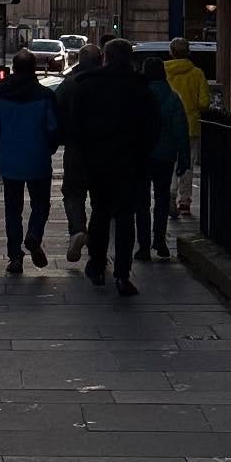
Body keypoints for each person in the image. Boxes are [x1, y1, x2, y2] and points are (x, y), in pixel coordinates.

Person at [73, 38, 159, 295]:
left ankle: (97, 266)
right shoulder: (141, 87)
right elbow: (154, 126)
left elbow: (76, 128)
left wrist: (85, 156)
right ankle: (122, 274)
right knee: (125, 218)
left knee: (100, 213)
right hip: (130, 163)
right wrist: (144, 153)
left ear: (106, 58)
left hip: (98, 162)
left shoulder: (88, 86)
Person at [0, 48, 59, 275]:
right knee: (41, 204)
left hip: (9, 159)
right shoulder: (45, 96)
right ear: (34, 69)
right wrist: (49, 147)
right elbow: (54, 128)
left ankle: (15, 256)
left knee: (12, 209)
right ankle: (34, 235)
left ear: (14, 68)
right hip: (37, 158)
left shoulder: (1, 95)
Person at [53, 43, 103, 262]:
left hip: (75, 147)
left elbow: (56, 113)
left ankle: (78, 230)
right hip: (104, 148)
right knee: (102, 198)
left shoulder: (70, 84)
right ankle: (97, 242)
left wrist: (57, 140)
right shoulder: (107, 82)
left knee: (73, 193)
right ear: (100, 60)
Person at [138, 56, 190, 259]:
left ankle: (143, 246)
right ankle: (159, 239)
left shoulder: (140, 95)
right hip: (165, 155)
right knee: (161, 198)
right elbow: (181, 131)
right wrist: (183, 158)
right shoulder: (172, 97)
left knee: (141, 201)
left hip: (141, 154)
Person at [164, 37, 212, 213]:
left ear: (171, 52)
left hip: (167, 124)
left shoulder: (164, 70)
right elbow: (204, 102)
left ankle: (170, 192)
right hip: (190, 124)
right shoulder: (197, 73)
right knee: (188, 163)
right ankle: (184, 201)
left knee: (170, 161)